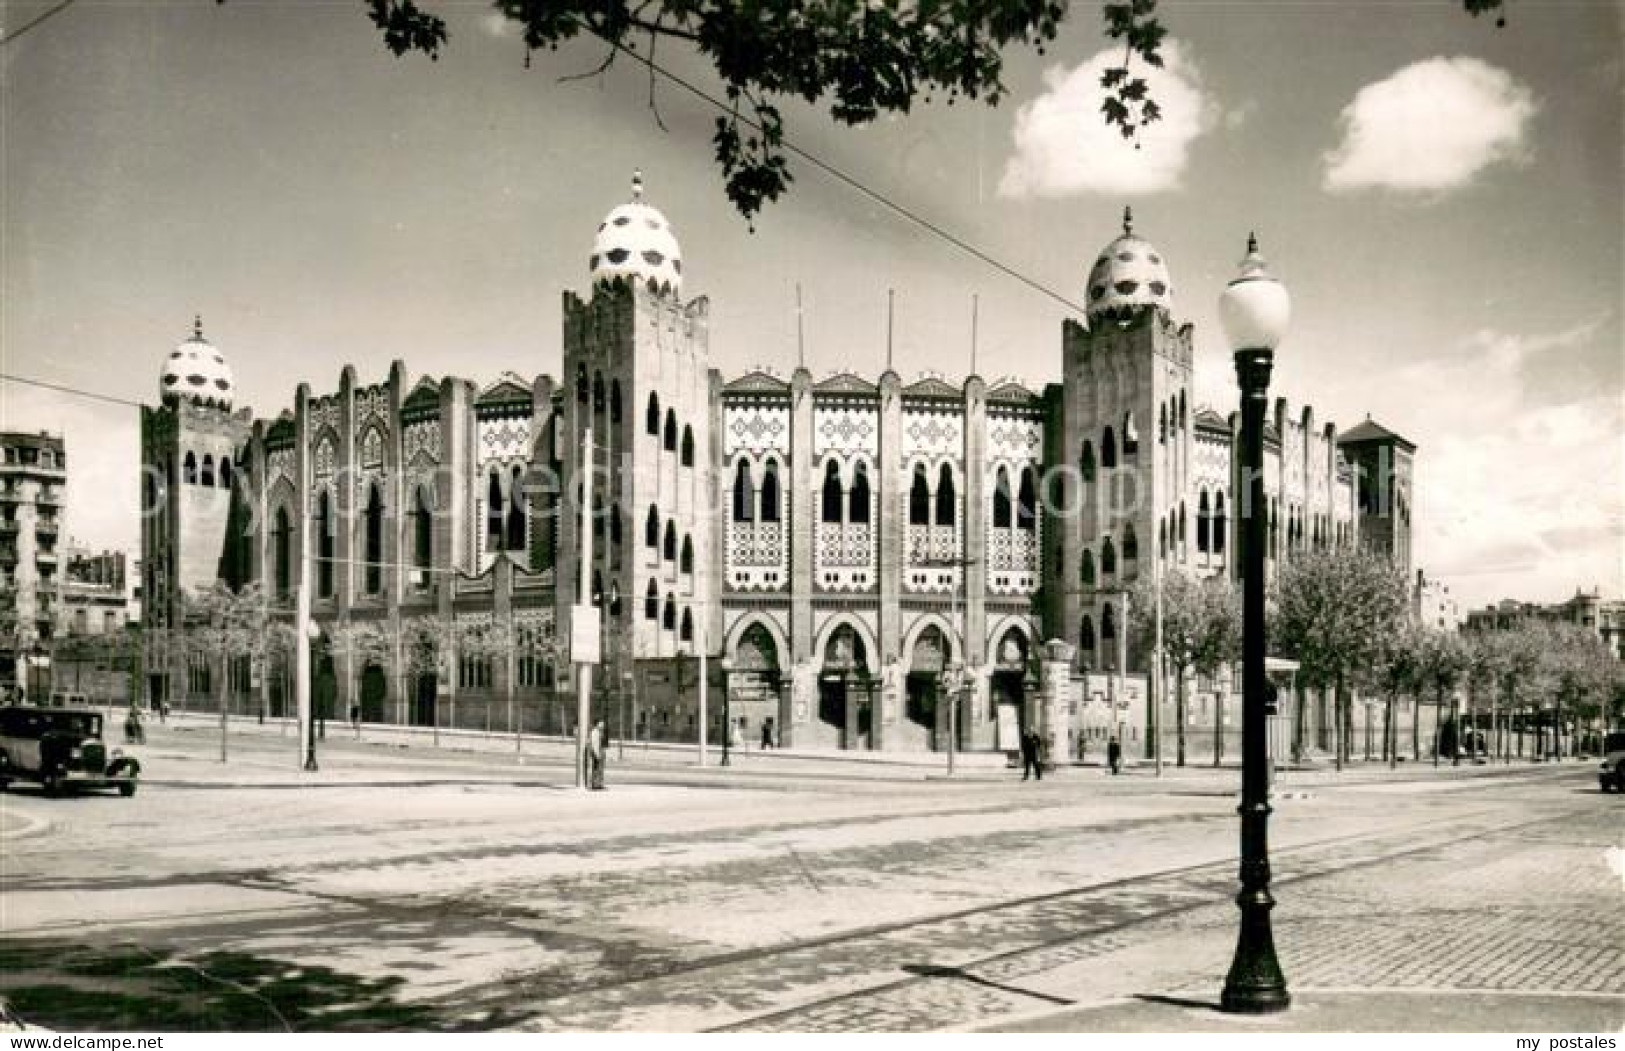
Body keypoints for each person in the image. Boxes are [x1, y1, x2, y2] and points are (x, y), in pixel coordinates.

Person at [587, 718, 606, 790]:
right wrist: (597, 754)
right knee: (596, 769)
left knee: (599, 769)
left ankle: (597, 784)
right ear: (597, 724)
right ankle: (594, 784)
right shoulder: (595, 732)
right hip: (596, 753)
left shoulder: (599, 732)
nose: (603, 725)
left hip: (598, 752)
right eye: (601, 723)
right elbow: (594, 744)